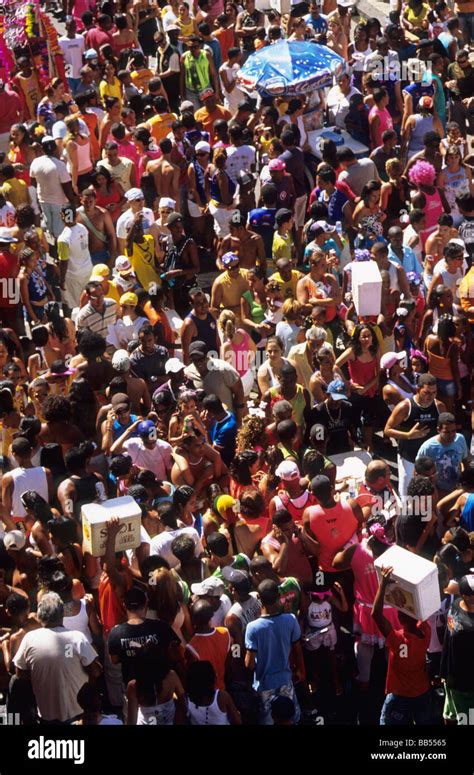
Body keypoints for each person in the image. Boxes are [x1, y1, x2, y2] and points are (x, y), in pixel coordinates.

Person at [13, 592, 101, 723]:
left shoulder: (29, 639)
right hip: (78, 713)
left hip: (45, 714)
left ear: (39, 615)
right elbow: (96, 671)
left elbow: (19, 675)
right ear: (62, 614)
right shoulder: (77, 638)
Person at [372, 566, 432, 725]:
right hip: (421, 693)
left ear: (400, 618)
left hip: (400, 697)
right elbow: (422, 611)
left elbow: (376, 614)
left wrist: (383, 585)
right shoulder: (425, 632)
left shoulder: (397, 640)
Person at [245, 579, 304, 725]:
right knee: (290, 718)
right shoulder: (290, 619)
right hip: (285, 681)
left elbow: (249, 664)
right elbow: (297, 650)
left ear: (259, 598)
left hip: (264, 685)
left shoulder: (252, 627)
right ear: (279, 595)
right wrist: (301, 671)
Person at [384, 373, 446, 497]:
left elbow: (445, 428)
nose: (430, 396)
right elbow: (387, 430)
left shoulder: (439, 406)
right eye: (427, 393)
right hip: (409, 458)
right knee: (406, 495)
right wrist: (408, 435)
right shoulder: (405, 407)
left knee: (430, 493)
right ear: (418, 390)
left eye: (434, 393)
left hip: (431, 460)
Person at [416, 412, 470, 495]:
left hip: (458, 490)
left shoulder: (460, 439)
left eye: (454, 431)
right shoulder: (427, 448)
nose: (451, 435)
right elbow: (418, 473)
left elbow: (465, 461)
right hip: (437, 492)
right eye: (447, 432)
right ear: (438, 430)